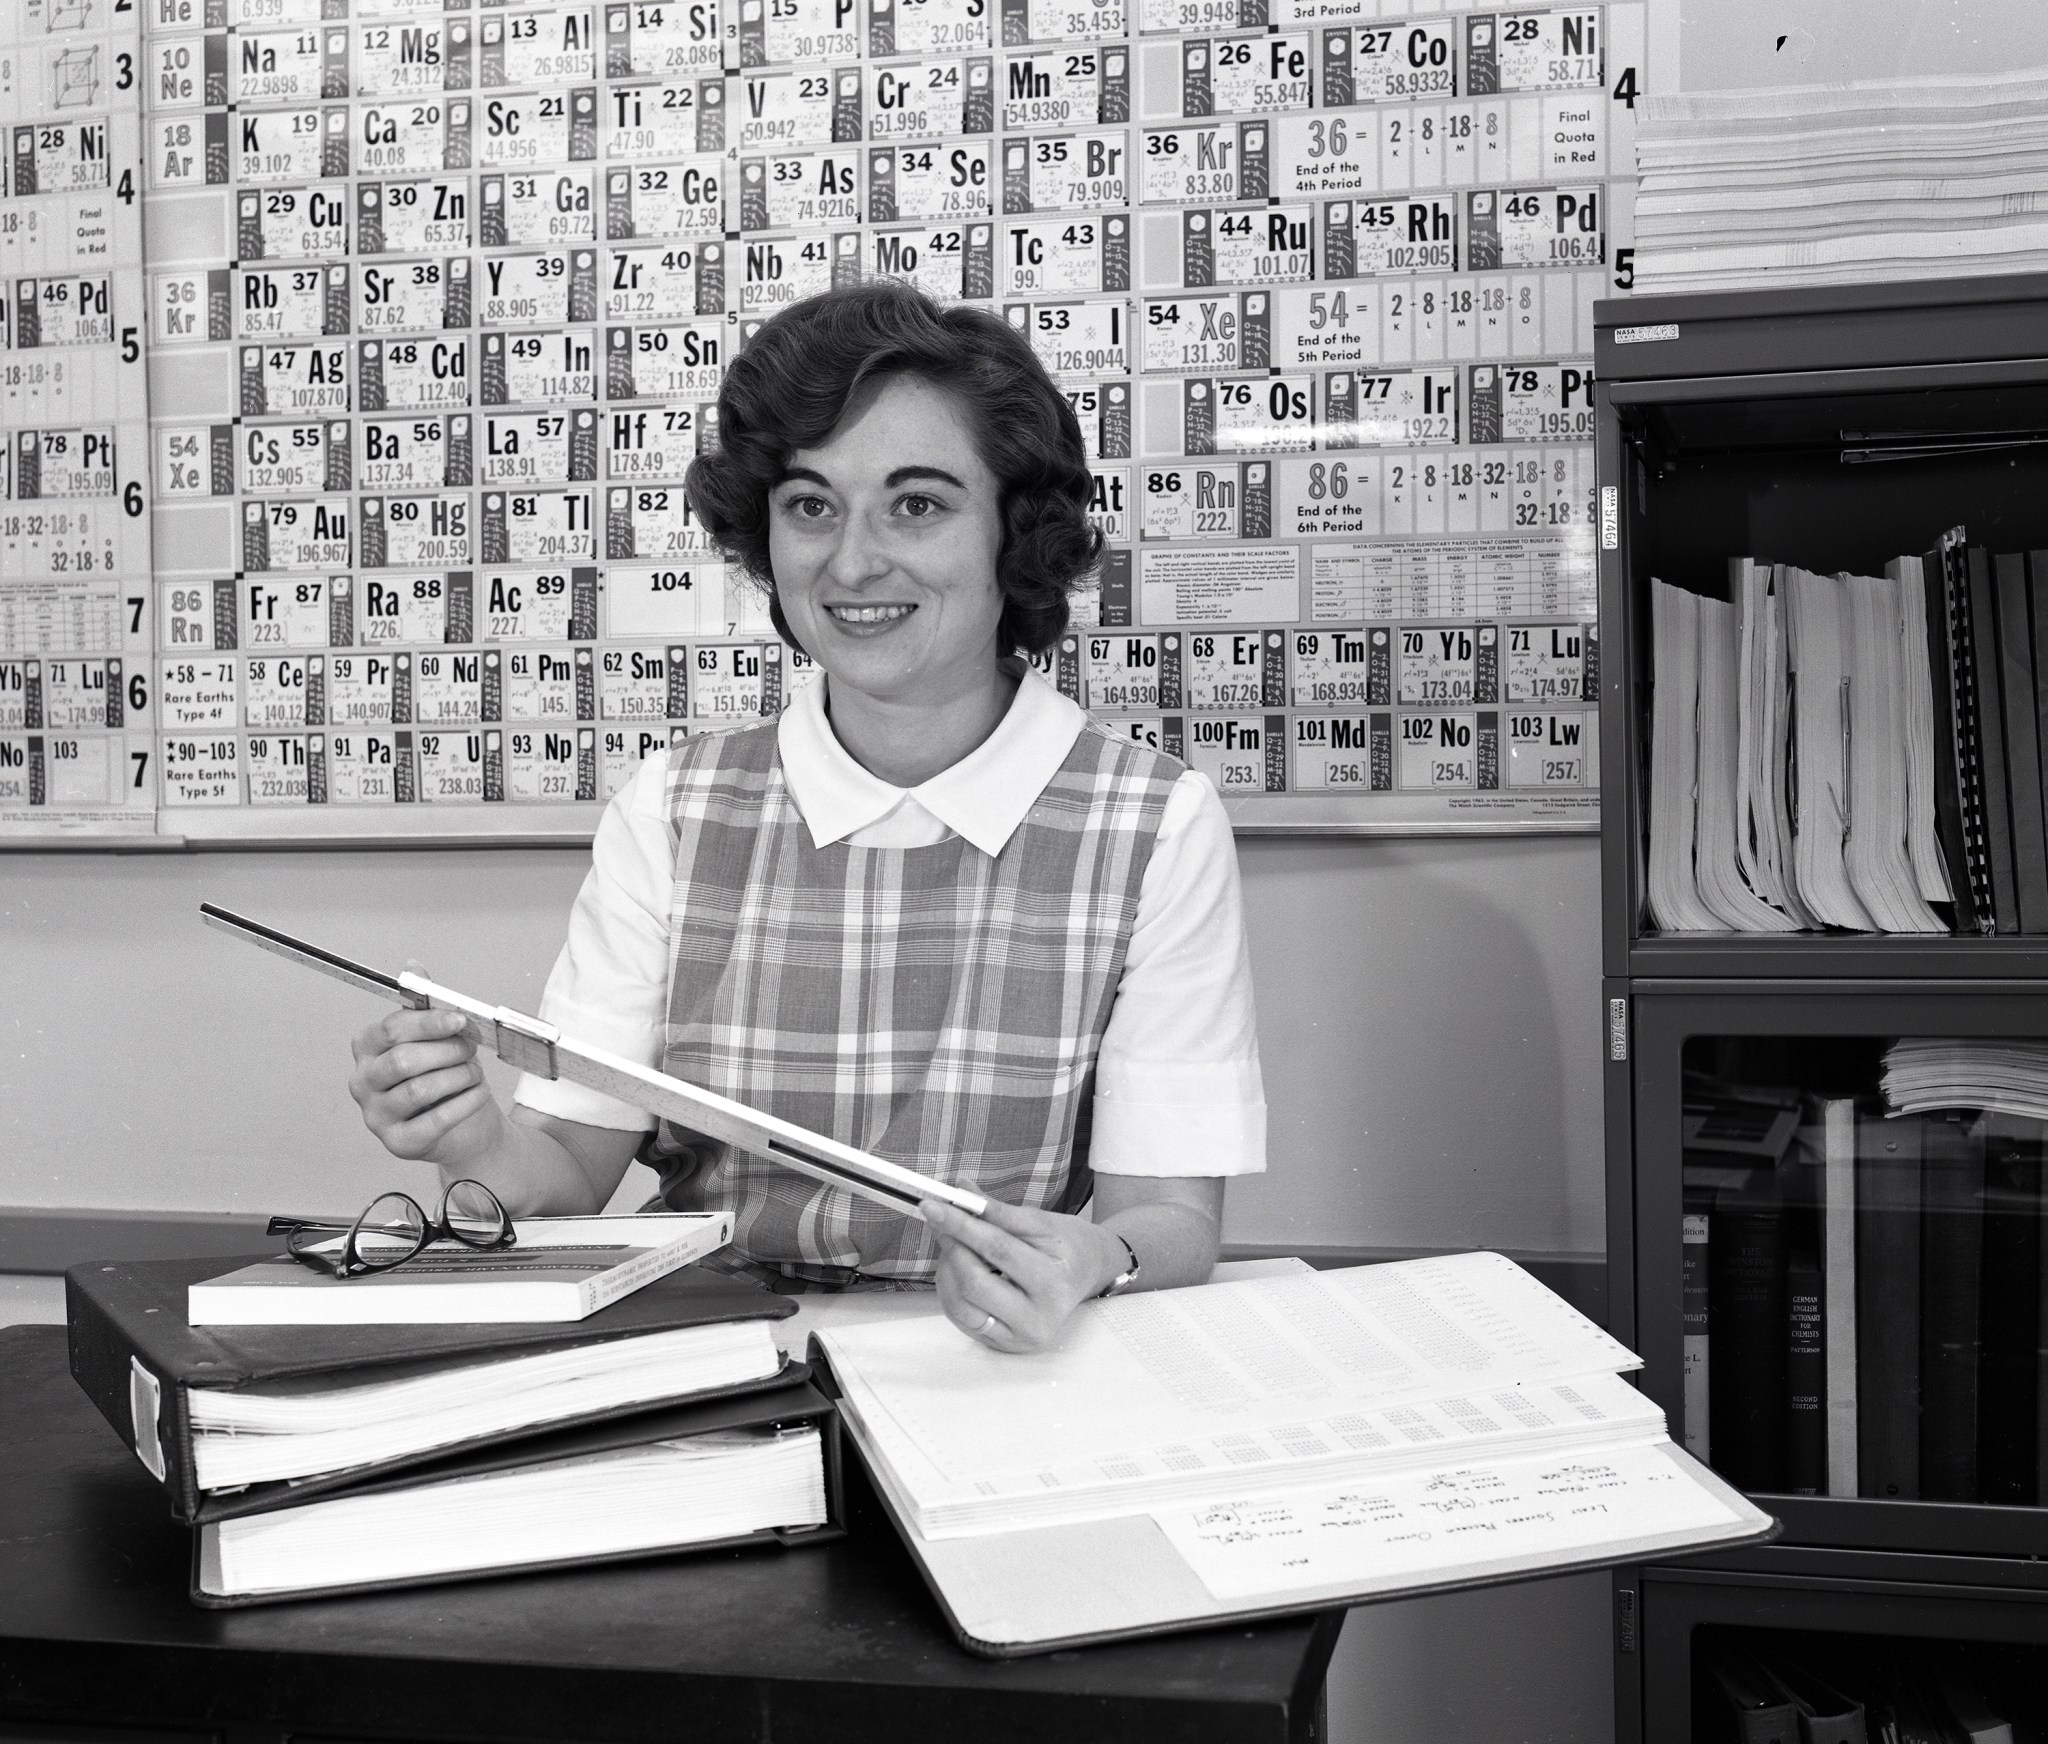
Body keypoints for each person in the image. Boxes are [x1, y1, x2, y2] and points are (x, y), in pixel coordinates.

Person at [348, 282, 1264, 1352]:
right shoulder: (673, 812)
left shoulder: (1153, 823)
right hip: (710, 1366)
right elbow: (557, 1191)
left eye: (915, 504)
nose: (853, 561)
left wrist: (1094, 1258)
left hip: (1000, 1372)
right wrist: (468, 1134)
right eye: (810, 505)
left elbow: (1170, 1219)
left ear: (1016, 530)